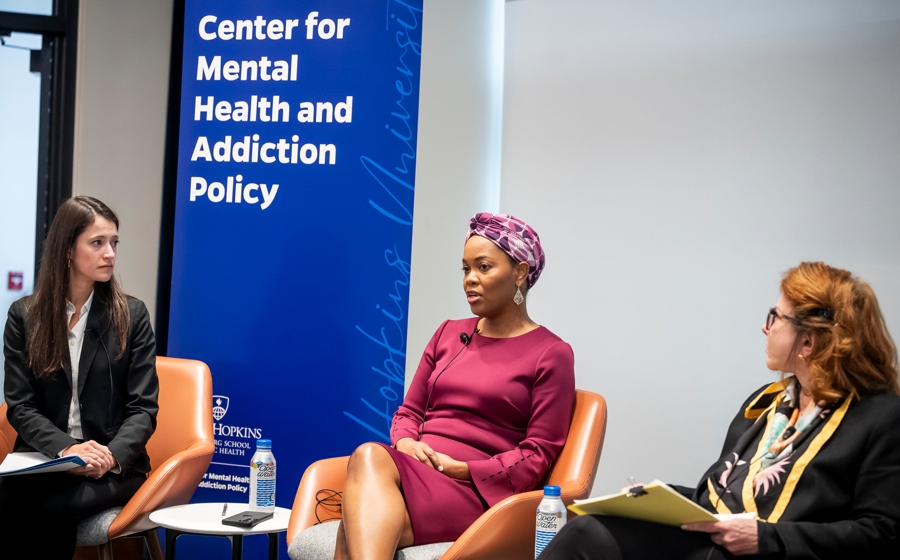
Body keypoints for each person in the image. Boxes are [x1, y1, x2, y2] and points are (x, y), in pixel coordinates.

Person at [538, 262, 900, 560]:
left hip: (769, 554)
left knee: (590, 538)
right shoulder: (768, 403)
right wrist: (651, 500)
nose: (765, 327)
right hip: (716, 544)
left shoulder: (880, 417)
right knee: (592, 526)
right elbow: (718, 496)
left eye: (775, 316)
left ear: (808, 341)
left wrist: (768, 538)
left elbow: (882, 532)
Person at [334, 213, 576, 560]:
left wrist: (458, 468)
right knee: (362, 520)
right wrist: (405, 442)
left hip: (474, 490)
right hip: (416, 474)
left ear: (520, 273)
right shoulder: (449, 333)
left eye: (483, 267)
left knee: (362, 482)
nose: (470, 280)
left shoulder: (552, 354)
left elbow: (537, 455)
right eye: (465, 269)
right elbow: (409, 411)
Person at [0, 196, 159, 559]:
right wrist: (67, 449)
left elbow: (143, 409)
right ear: (68, 250)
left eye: (114, 243)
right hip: (48, 458)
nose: (110, 254)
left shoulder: (131, 315)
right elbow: (21, 406)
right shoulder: (25, 316)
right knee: (7, 500)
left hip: (114, 464)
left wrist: (107, 456)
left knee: (51, 509)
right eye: (97, 243)